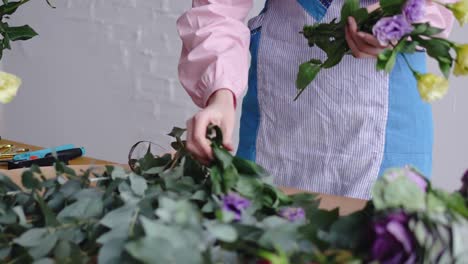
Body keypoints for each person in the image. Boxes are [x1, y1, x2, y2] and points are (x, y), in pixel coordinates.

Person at [176, 0, 454, 199]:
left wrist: (400, 20)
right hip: (277, 116)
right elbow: (219, 9)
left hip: (389, 124)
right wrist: (221, 94)